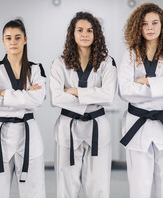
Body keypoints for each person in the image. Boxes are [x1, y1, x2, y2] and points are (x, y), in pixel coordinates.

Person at [118, 2, 163, 198]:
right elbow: (125, 91)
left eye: (154, 23)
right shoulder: (130, 54)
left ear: (162, 26)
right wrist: (160, 87)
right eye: (144, 23)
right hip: (138, 126)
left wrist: (146, 81)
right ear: (137, 27)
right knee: (139, 186)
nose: (150, 28)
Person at [50, 12, 117, 198]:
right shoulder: (60, 63)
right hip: (68, 127)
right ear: (72, 33)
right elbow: (56, 98)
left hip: (97, 127)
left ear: (96, 34)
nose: (85, 34)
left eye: (89, 30)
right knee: (66, 184)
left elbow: (108, 96)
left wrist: (76, 91)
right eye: (80, 30)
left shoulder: (106, 62)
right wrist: (93, 97)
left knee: (98, 184)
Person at [0, 19, 46, 198]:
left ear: (25, 39)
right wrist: (25, 97)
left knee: (34, 190)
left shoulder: (36, 69)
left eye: (18, 37)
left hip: (28, 133)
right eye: (8, 38)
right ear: (3, 41)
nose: (13, 42)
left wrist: (4, 94)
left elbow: (38, 100)